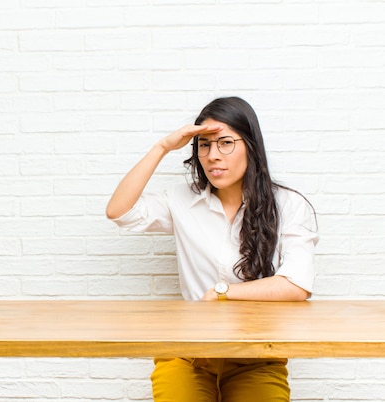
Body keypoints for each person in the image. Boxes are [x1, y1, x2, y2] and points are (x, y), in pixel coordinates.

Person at [106, 97, 318, 402]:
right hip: (188, 352)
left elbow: (296, 285)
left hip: (256, 355)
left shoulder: (288, 205)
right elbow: (119, 212)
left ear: (251, 146)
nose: (213, 156)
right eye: (204, 145)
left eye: (226, 143)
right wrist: (162, 147)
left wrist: (223, 292)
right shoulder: (182, 200)